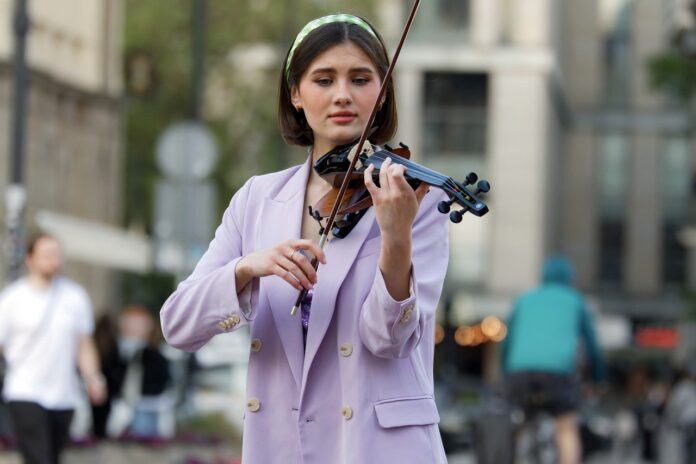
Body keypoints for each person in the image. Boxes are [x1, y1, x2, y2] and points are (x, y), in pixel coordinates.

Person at [160, 13, 450, 464]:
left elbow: (388, 341)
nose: (342, 95)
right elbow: (178, 324)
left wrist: (396, 240)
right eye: (323, 79)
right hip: (281, 445)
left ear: (383, 89)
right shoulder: (257, 198)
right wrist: (247, 268)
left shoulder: (415, 200)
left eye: (360, 79)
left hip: (378, 449)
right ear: (296, 93)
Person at [0, 233, 106, 464]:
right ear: (30, 259)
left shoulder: (75, 297)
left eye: (57, 255)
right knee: (40, 458)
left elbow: (83, 345)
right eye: (46, 255)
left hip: (63, 395)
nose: (53, 261)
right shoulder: (12, 299)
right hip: (24, 391)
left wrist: (93, 379)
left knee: (53, 457)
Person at [501, 255, 606, 464]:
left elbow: (506, 343)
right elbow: (593, 347)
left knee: (520, 425)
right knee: (566, 429)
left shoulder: (524, 299)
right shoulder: (575, 300)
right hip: (557, 374)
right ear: (569, 278)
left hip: (519, 374)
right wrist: (598, 379)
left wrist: (505, 374)